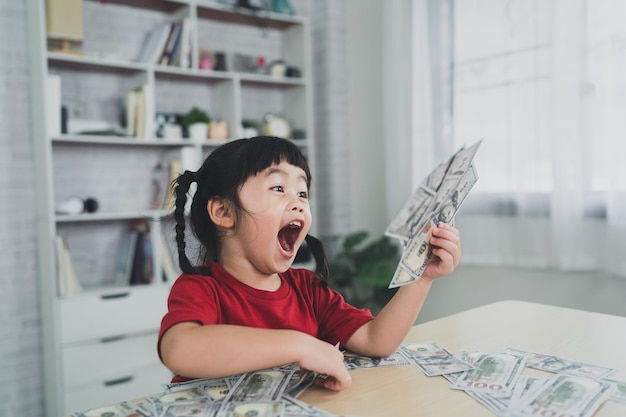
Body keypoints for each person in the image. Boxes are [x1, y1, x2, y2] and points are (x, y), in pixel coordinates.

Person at [158, 136, 462, 392]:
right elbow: (179, 349)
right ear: (224, 212)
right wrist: (299, 345)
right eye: (278, 188)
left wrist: (422, 279)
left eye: (302, 192)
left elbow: (375, 340)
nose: (298, 201)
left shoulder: (307, 289)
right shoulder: (201, 288)